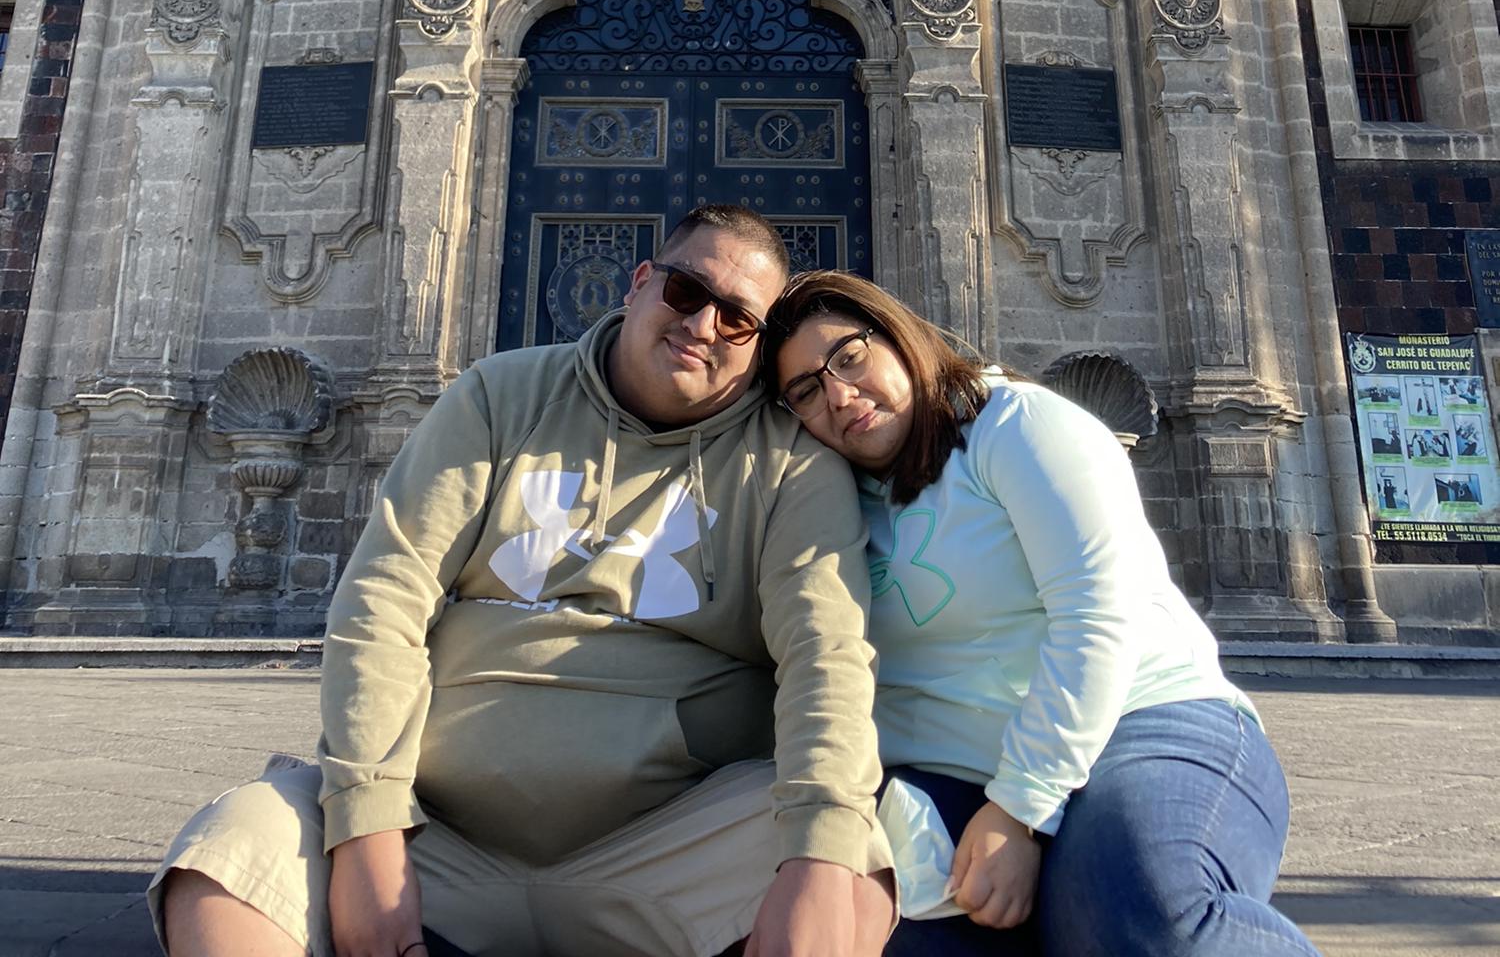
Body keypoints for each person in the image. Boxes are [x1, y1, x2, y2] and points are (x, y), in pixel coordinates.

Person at [153, 207, 894, 957]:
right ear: (640, 283)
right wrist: (367, 829)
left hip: (672, 841)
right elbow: (385, 598)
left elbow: (825, 656)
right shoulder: (499, 396)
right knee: (228, 855)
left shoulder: (791, 462)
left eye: (737, 319)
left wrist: (818, 857)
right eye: (685, 291)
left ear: (758, 344)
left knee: (851, 875)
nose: (702, 325)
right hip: (432, 833)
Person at [769, 270, 1321, 956]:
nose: (839, 395)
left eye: (850, 357)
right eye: (806, 391)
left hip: (1141, 721)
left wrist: (1020, 809)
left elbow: (1098, 612)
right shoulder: (823, 498)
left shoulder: (1014, 425)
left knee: (1144, 914)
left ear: (899, 338)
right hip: (949, 773)